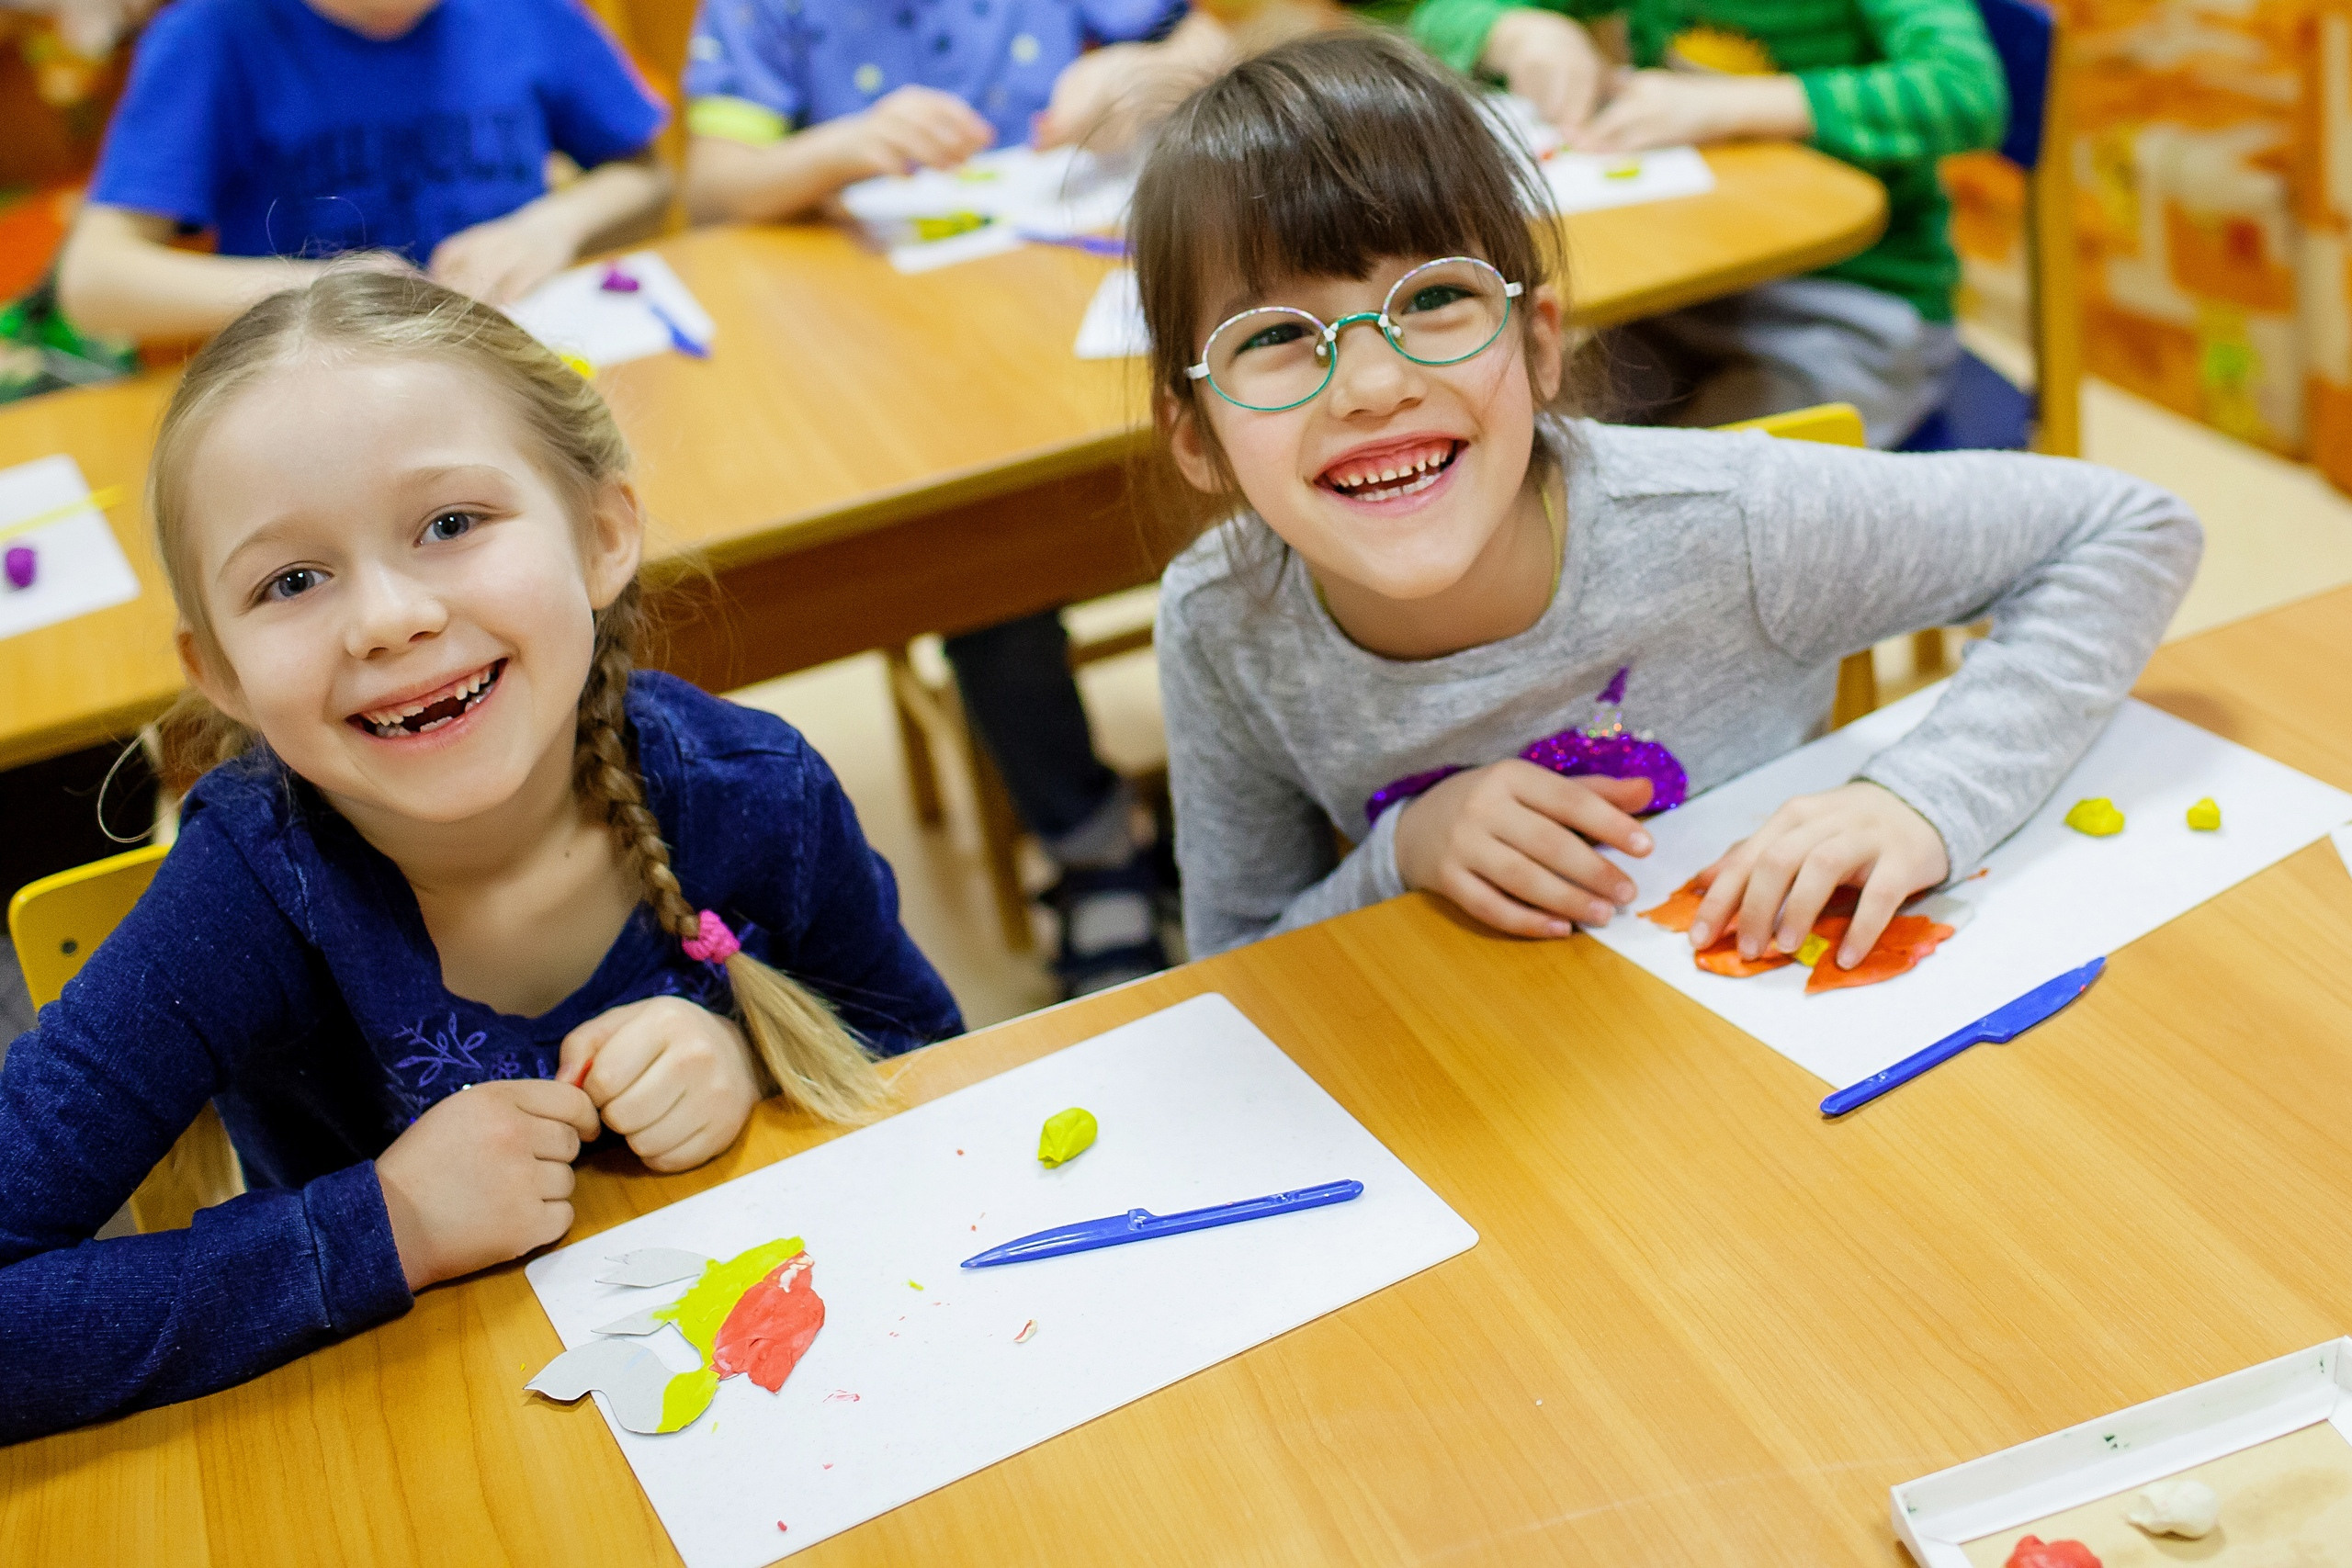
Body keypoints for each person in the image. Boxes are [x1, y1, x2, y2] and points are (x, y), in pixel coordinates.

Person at [0, 271, 961, 1443]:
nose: (389, 618)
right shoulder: (247, 899)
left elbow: (939, 1074)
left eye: (451, 524)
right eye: (292, 581)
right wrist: (389, 1222)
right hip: (411, 1447)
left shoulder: (756, 795)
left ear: (603, 535)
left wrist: (753, 1057)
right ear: (220, 677)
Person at [1130, 33, 2199, 963]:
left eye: (1437, 299)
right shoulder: (1221, 623)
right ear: (1198, 439)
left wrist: (1921, 797)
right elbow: (1245, 970)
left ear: (1539, 342)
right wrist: (1403, 852)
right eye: (1272, 338)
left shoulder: (1727, 523)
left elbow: (2129, 526)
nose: (1372, 385)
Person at [676, 0, 1230, 994]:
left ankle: (1237, 803)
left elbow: (1209, 44)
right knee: (987, 566)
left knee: (1231, 477)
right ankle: (1092, 847)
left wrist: (1140, 71)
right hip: (891, 357)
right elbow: (710, 190)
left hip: (1071, 313)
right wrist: (836, 148)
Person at [1410, 0, 2006, 447]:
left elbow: (1967, 91)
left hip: (1856, 317)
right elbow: (1437, 16)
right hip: (1682, 303)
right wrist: (1513, 30)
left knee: (1667, 501)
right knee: (1529, 441)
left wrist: (1729, 105)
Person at [54, 0, 673, 342]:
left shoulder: (530, 13)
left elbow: (649, 173)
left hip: (508, 353)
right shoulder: (210, 35)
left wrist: (553, 227)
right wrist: (321, 289)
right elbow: (94, 282)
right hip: (319, 377)